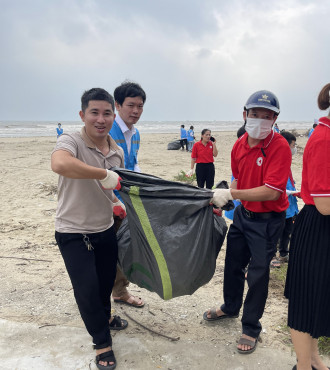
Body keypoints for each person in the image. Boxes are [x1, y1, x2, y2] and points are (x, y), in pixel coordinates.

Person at [204, 90, 291, 355]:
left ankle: (251, 326)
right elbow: (237, 179)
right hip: (243, 216)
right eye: (255, 115)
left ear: (275, 119)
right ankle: (230, 307)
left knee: (258, 274)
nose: (260, 121)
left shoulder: (279, 146)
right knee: (232, 264)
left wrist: (232, 194)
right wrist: (226, 202)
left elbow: (272, 191)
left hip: (268, 220)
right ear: (245, 114)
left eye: (267, 116)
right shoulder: (239, 144)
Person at [51, 87, 129, 369]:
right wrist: (102, 174)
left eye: (107, 113)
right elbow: (60, 163)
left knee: (105, 283)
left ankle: (105, 318)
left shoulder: (117, 153)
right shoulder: (70, 140)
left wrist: (114, 202)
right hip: (72, 230)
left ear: (114, 115)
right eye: (94, 113)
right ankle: (101, 342)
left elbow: (110, 187)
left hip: (104, 229)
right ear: (82, 115)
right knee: (86, 288)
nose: (101, 119)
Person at [285, 83, 330, 370]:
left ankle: (314, 359)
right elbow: (325, 204)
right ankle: (303, 365)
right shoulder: (324, 138)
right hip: (318, 226)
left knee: (318, 297)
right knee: (305, 300)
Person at [110, 81, 146, 308]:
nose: (136, 111)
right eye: (131, 105)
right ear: (118, 105)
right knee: (113, 248)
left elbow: (133, 165)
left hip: (127, 199)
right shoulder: (108, 129)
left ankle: (119, 289)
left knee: (124, 246)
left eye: (140, 106)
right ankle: (116, 291)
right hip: (109, 201)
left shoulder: (135, 133)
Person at [270, 131, 299, 268]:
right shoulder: (277, 159)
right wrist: (292, 192)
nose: (294, 148)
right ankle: (273, 255)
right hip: (281, 203)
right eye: (293, 145)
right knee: (277, 230)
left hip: (290, 204)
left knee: (288, 229)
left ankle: (283, 253)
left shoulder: (286, 159)